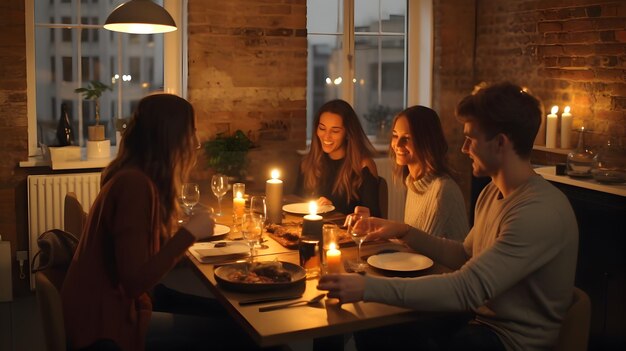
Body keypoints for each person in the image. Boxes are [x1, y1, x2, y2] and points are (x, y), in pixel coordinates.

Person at [318, 82, 579, 350]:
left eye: (471, 138)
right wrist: (404, 231)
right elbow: (466, 255)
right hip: (478, 322)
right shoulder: (492, 192)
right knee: (374, 327)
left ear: (500, 142)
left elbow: (467, 288)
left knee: (384, 321)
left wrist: (366, 286)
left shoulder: (538, 211)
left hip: (508, 339)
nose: (465, 148)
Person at [61, 94, 216, 350]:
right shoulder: (135, 185)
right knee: (235, 333)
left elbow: (140, 254)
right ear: (170, 137)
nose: (197, 142)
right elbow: (134, 282)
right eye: (191, 132)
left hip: (104, 306)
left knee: (226, 314)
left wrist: (178, 230)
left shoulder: (133, 176)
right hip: (104, 326)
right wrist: (189, 233)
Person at [388, 105, 468, 241]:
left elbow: (422, 252)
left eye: (407, 138)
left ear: (426, 141)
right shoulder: (413, 182)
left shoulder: (442, 189)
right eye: (395, 135)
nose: (398, 144)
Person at [295, 99, 381, 217]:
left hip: (346, 233)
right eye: (322, 128)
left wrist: (333, 211)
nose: (326, 136)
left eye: (335, 131)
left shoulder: (363, 166)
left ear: (347, 133)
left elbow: (374, 217)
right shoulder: (307, 163)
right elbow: (296, 204)